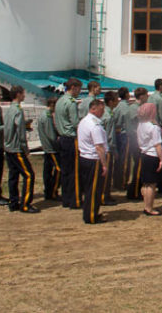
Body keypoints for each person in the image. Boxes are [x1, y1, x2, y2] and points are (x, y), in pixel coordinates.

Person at [4, 86, 38, 213]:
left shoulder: (10, 109)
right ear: (18, 94)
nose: (24, 96)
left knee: (13, 175)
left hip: (8, 147)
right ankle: (25, 204)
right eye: (23, 93)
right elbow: (19, 131)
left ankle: (13, 202)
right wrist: (25, 147)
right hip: (16, 148)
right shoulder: (18, 110)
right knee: (29, 175)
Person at [77, 99, 109, 224]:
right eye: (101, 109)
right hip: (93, 159)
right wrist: (104, 164)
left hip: (85, 158)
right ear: (93, 109)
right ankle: (91, 215)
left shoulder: (84, 121)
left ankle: (90, 212)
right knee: (94, 189)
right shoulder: (95, 125)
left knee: (89, 188)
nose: (102, 112)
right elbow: (99, 146)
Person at [55, 78, 82, 209]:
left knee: (65, 170)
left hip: (62, 138)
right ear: (73, 87)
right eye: (79, 89)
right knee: (74, 171)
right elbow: (76, 123)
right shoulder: (71, 103)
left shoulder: (60, 101)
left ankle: (66, 198)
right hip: (71, 138)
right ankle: (74, 199)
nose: (79, 92)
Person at [135, 102, 162, 216]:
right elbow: (157, 145)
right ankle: (149, 207)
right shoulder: (153, 127)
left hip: (144, 154)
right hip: (152, 155)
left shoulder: (140, 125)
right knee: (152, 184)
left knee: (146, 184)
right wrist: (161, 159)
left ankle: (146, 205)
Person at [126, 87, 148, 199]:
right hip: (136, 139)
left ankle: (135, 189)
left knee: (139, 166)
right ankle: (134, 191)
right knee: (138, 166)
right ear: (142, 96)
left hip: (137, 138)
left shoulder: (137, 107)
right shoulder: (135, 108)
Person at [38, 96, 60, 200]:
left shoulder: (47, 115)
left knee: (47, 170)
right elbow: (51, 135)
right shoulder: (47, 116)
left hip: (47, 148)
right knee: (59, 169)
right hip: (51, 148)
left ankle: (48, 191)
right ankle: (53, 191)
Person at [100, 91, 119, 205]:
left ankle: (106, 194)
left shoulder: (104, 113)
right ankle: (104, 196)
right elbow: (110, 135)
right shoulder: (109, 116)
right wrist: (113, 149)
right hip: (107, 148)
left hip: (103, 147)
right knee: (106, 174)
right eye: (116, 100)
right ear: (111, 101)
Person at [112, 87, 131, 190]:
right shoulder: (126, 107)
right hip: (124, 134)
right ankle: (123, 182)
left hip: (117, 134)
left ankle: (116, 181)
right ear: (127, 94)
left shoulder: (117, 106)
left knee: (118, 159)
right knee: (125, 160)